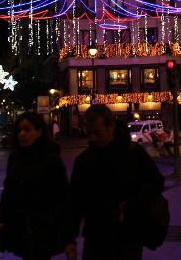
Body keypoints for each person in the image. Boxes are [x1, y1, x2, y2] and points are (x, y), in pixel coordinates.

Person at [65, 104, 165, 260]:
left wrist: (132, 204)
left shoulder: (133, 153)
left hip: (127, 235)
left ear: (111, 127)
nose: (92, 138)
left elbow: (156, 183)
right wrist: (70, 240)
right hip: (96, 237)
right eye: (89, 133)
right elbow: (75, 202)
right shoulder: (84, 161)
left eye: (97, 133)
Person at [0, 112, 68, 260]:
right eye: (19, 130)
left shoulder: (51, 160)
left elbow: (63, 197)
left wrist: (62, 232)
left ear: (39, 132)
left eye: (27, 130)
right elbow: (8, 192)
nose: (22, 134)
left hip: (43, 230)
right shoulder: (15, 158)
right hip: (20, 228)